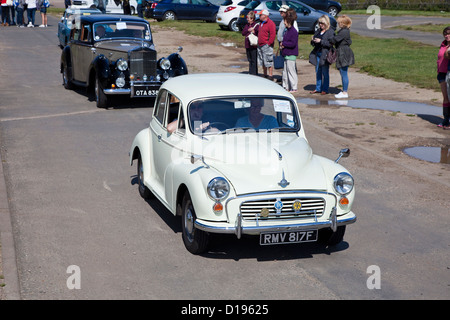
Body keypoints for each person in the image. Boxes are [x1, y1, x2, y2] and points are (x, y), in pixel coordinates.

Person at [331, 15, 355, 99]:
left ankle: (345, 92)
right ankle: (344, 91)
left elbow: (334, 40)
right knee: (342, 72)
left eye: (339, 23)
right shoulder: (344, 31)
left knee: (344, 72)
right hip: (342, 52)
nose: (338, 24)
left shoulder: (344, 32)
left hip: (343, 53)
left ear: (342, 23)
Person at [309, 15, 334, 95]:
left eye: (322, 23)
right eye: (320, 23)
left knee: (325, 72)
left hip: (325, 54)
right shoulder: (318, 31)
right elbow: (314, 42)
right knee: (318, 71)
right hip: (317, 53)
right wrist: (313, 40)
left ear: (326, 23)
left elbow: (331, 44)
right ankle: (318, 88)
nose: (321, 25)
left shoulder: (330, 32)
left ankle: (325, 89)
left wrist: (321, 41)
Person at [280, 9, 298, 93]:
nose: (284, 23)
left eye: (285, 21)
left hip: (291, 55)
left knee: (291, 72)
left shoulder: (294, 31)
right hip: (286, 54)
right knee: (285, 72)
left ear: (289, 22)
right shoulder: (287, 31)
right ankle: (285, 86)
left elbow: (293, 43)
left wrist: (284, 44)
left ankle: (294, 87)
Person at [257, 9, 276, 81]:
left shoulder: (271, 23)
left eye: (260, 15)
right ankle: (264, 73)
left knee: (268, 59)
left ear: (265, 16)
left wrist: (269, 43)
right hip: (260, 44)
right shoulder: (260, 23)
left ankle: (270, 75)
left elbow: (273, 35)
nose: (259, 16)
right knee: (262, 60)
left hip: (266, 45)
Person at [437, 26, 450, 129]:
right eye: (445, 33)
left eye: (449, 33)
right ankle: (445, 119)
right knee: (445, 98)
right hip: (441, 73)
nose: (447, 35)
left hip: (448, 73)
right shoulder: (443, 44)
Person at [241, 11, 259, 76]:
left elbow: (258, 34)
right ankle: (250, 72)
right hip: (247, 45)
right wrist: (248, 30)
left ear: (252, 18)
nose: (247, 19)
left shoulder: (256, 25)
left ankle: (254, 73)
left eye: (248, 18)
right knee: (249, 59)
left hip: (253, 46)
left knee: (254, 60)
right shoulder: (247, 25)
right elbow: (243, 33)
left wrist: (254, 32)